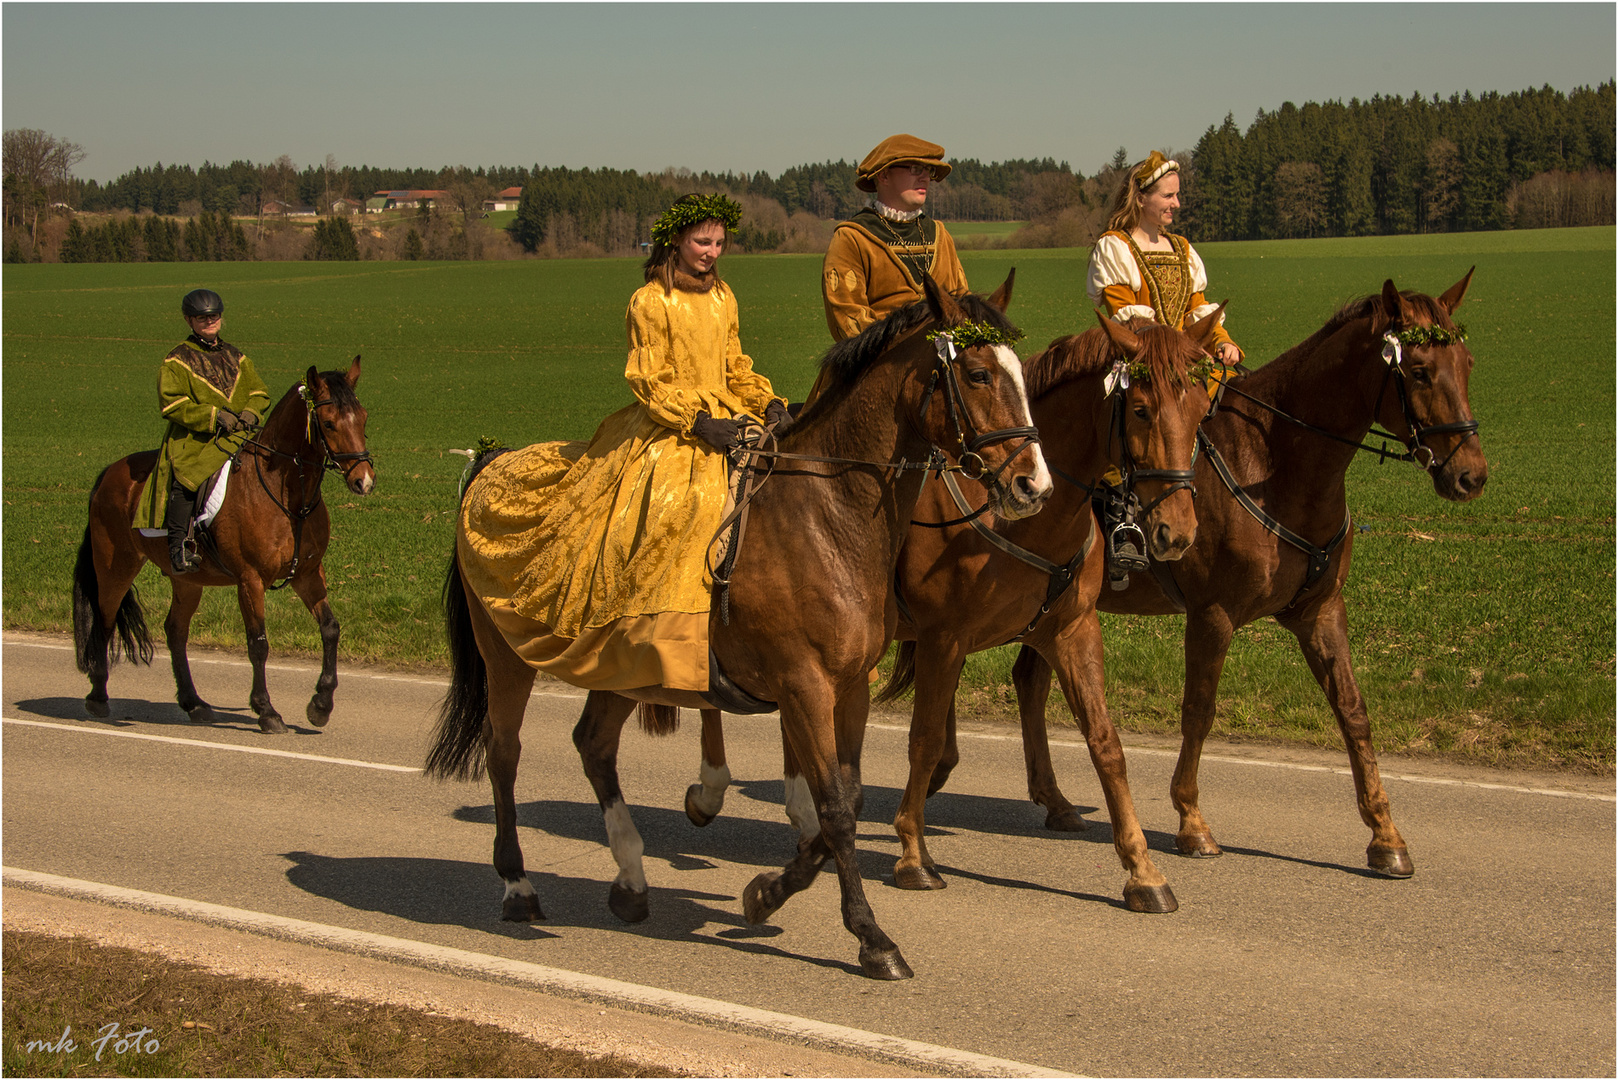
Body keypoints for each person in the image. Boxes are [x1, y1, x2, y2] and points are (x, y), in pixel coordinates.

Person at [457, 193, 790, 691]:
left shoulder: (724, 296)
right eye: (703, 241)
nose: (712, 252)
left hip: (728, 412)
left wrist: (767, 402)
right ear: (676, 240)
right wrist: (698, 424)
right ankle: (656, 638)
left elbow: (735, 365)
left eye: (720, 242)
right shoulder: (650, 301)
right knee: (684, 503)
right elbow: (649, 379)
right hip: (671, 422)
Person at [134, 288, 271, 573]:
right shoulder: (176, 361)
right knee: (188, 476)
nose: (209, 322)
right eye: (201, 318)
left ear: (220, 317)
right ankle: (178, 548)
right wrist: (214, 416)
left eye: (213, 316)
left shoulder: (238, 357)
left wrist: (250, 411)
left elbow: (259, 391)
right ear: (189, 320)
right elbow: (172, 404)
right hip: (195, 437)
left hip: (240, 433)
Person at [1086, 151, 1242, 363]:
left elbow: (1196, 309)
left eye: (1177, 195)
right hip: (1142, 362)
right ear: (1141, 198)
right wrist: (1178, 349)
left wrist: (1222, 342)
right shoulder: (1116, 248)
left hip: (1183, 359)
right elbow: (1130, 321)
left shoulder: (1182, 248)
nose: (1176, 204)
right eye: (1168, 196)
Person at [821, 133, 970, 341]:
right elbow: (848, 321)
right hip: (875, 365)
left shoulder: (940, 235)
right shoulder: (852, 237)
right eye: (916, 169)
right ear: (883, 175)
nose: (925, 177)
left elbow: (963, 303)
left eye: (929, 170)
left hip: (945, 364)